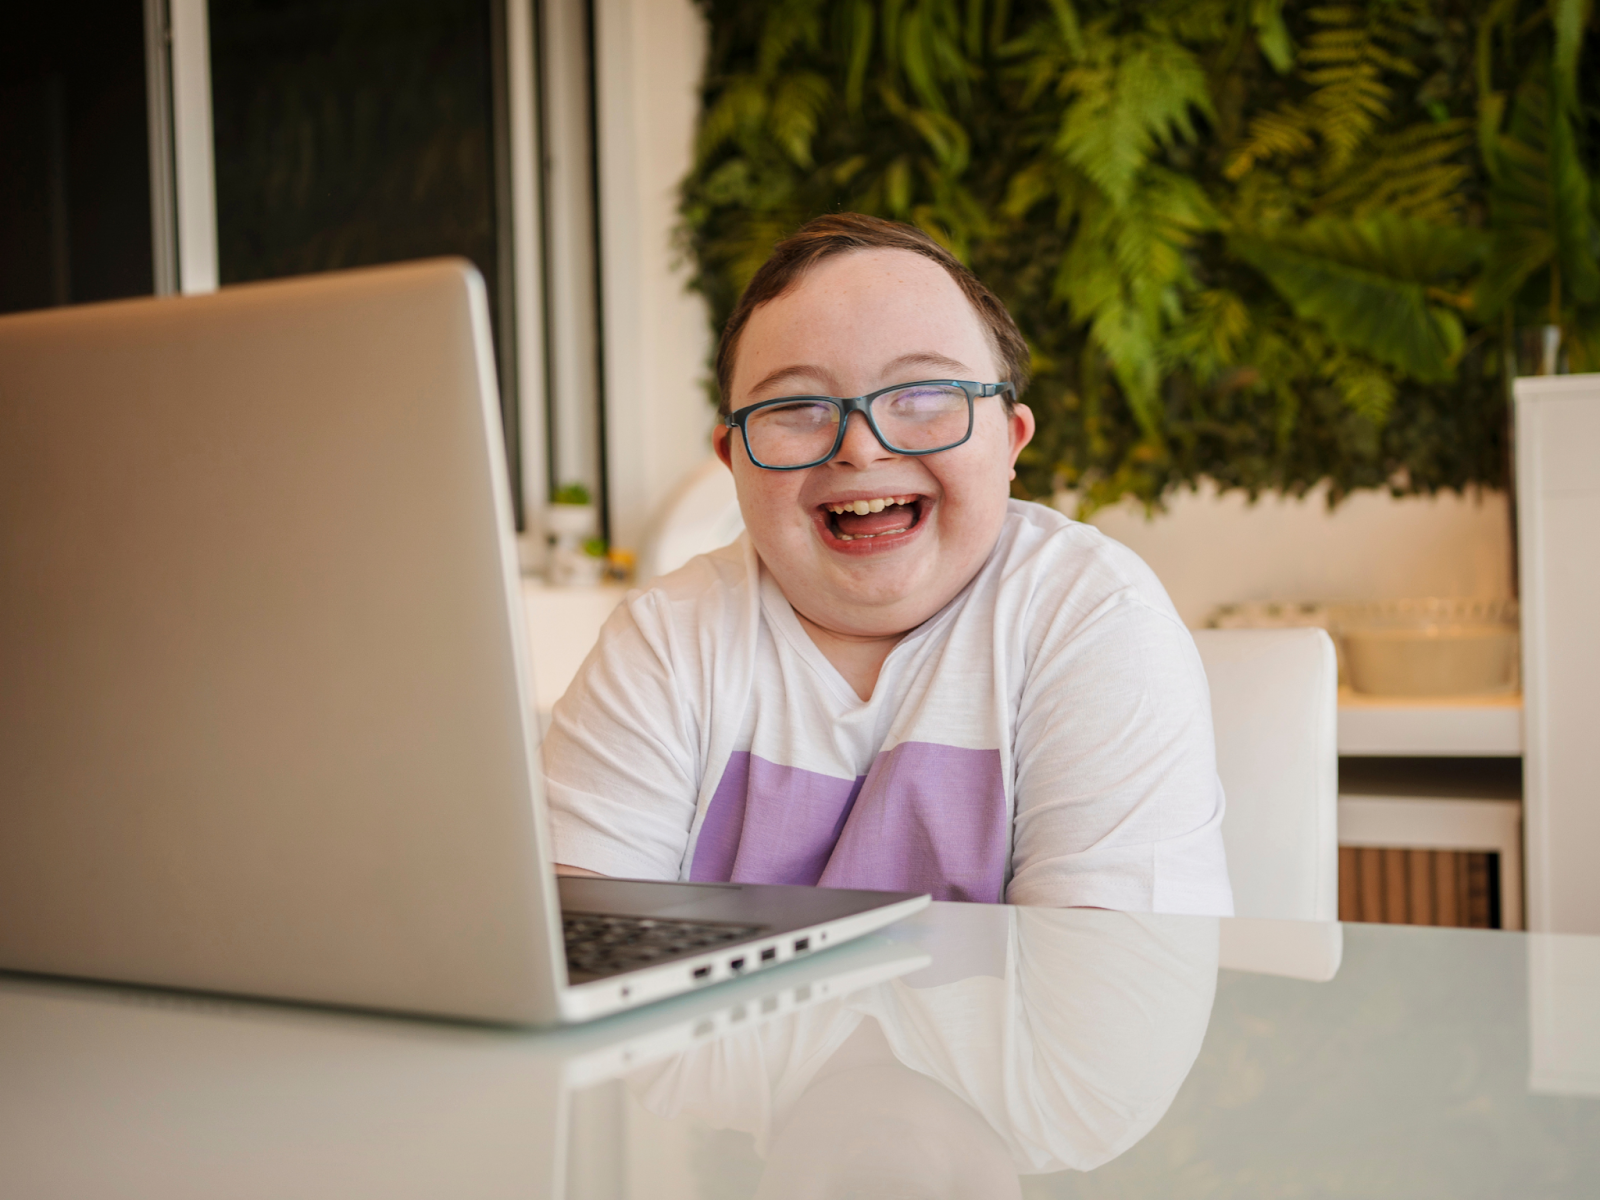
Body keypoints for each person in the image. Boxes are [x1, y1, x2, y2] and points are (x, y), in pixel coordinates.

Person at [543, 213, 1232, 913]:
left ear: (1011, 440)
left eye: (927, 396)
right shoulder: (664, 642)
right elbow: (573, 952)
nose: (862, 448)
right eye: (797, 406)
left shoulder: (1089, 617)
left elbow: (1116, 990)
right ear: (733, 459)